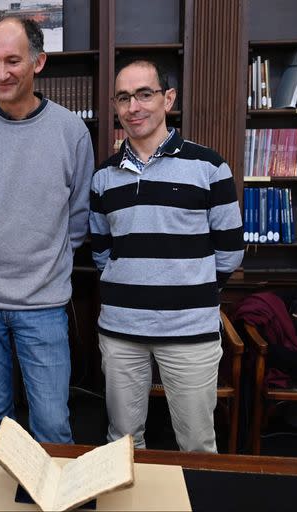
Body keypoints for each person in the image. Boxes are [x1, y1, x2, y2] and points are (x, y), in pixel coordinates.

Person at [0, 17, 94, 443]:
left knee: (52, 423)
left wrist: (50, 262)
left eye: (12, 60)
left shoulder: (71, 132)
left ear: (38, 62)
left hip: (43, 302)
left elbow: (79, 215)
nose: (1, 73)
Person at [90, 59, 244, 452]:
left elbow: (229, 252)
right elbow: (102, 251)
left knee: (196, 444)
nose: (133, 107)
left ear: (167, 99)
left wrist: (186, 288)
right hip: (122, 331)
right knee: (122, 444)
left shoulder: (209, 167)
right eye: (123, 98)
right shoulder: (104, 177)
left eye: (145, 94)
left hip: (190, 332)